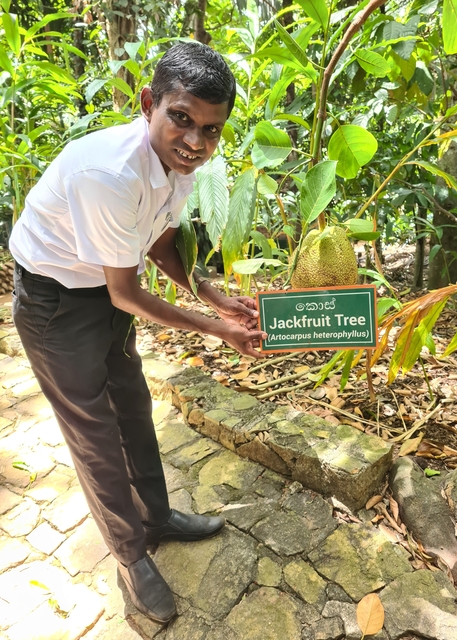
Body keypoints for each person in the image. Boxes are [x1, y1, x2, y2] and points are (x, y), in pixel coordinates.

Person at [9, 42, 266, 624]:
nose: (197, 142)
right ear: (150, 103)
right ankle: (130, 558)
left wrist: (212, 293)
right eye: (182, 118)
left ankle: (158, 516)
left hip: (100, 283)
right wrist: (217, 329)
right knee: (94, 433)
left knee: (133, 403)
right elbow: (127, 291)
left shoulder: (176, 164)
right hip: (54, 297)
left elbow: (157, 241)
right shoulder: (110, 172)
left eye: (211, 129)